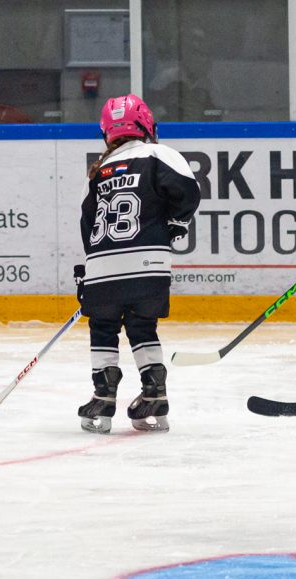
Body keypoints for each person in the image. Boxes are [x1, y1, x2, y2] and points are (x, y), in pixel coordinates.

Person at [76, 94, 200, 433]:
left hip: (103, 267)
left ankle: (103, 397)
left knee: (103, 326)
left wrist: (92, 266)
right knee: (142, 325)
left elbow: (88, 223)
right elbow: (188, 192)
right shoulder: (159, 153)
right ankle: (154, 392)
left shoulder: (101, 169)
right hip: (149, 265)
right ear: (146, 126)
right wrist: (175, 223)